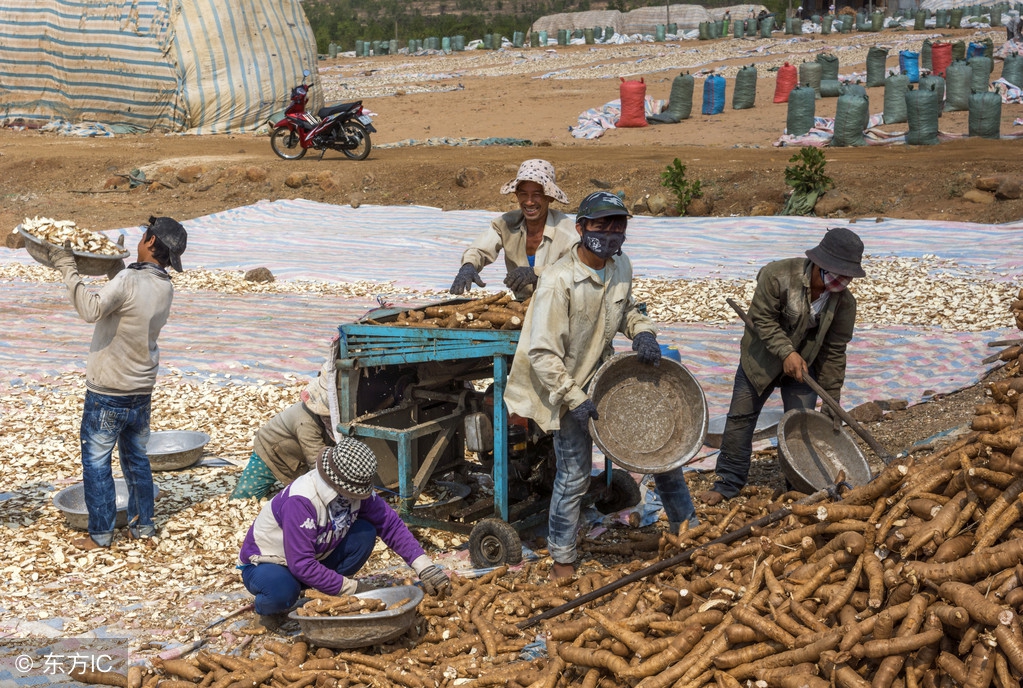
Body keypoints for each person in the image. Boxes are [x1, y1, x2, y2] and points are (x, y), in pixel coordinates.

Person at [504, 191, 697, 580]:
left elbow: (627, 308)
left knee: (661, 446)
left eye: (618, 226)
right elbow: (543, 355)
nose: (610, 234)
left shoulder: (620, 264)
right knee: (574, 473)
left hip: (600, 374)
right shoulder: (560, 281)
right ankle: (562, 559)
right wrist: (574, 398)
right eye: (600, 226)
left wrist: (643, 332)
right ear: (581, 229)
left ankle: (688, 531)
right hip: (560, 385)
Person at [48, 216, 188, 551]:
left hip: (108, 392)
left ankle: (100, 534)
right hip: (140, 391)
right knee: (136, 459)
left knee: (97, 462)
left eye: (144, 235)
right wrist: (116, 268)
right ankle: (144, 526)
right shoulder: (165, 286)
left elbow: (91, 309)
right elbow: (131, 304)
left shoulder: (128, 279)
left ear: (151, 242)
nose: (141, 239)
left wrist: (67, 266)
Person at [697, 227, 864, 507]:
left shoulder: (844, 304)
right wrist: (787, 352)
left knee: (802, 424)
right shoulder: (777, 276)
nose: (843, 280)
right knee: (741, 419)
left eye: (847, 276)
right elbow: (761, 319)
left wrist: (831, 399)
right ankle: (727, 482)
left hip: (803, 367)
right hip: (759, 358)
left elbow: (835, 351)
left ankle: (797, 485)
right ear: (820, 265)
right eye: (838, 272)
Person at [237, 438, 451, 626]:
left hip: (317, 554)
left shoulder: (354, 491)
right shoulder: (301, 501)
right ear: (339, 486)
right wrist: (354, 589)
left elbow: (390, 524)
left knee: (364, 533)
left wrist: (424, 567)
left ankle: (326, 593)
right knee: (282, 593)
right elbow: (301, 563)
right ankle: (266, 610)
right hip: (269, 564)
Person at [449, 159, 577, 300]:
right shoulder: (505, 224)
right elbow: (480, 249)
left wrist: (536, 273)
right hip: (522, 305)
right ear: (516, 195)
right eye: (523, 194)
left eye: (537, 194)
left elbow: (576, 269)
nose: (529, 202)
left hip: (560, 304)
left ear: (549, 197)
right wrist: (468, 266)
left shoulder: (567, 232)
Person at [230, 358, 337, 500]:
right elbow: (316, 461)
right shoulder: (305, 423)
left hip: (297, 458)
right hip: (270, 454)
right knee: (244, 498)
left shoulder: (323, 422)